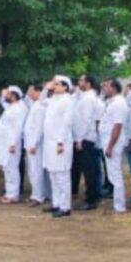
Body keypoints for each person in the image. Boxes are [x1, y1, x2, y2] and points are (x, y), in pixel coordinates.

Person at [43, 76, 76, 218]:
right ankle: (56, 203)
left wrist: (61, 142)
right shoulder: (53, 100)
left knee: (62, 175)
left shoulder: (67, 101)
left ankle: (65, 206)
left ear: (65, 87)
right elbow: (40, 101)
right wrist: (46, 88)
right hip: (50, 143)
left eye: (57, 84)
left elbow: (67, 123)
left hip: (60, 143)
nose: (54, 86)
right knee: (53, 174)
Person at [72, 74, 103, 211]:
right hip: (85, 137)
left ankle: (91, 200)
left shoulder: (89, 99)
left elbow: (85, 121)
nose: (79, 82)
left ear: (88, 83)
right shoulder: (85, 97)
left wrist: (79, 139)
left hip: (85, 138)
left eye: (81, 80)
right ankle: (91, 197)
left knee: (89, 171)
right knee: (89, 169)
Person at [99, 78, 129, 214]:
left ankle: (119, 206)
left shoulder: (119, 103)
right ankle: (118, 204)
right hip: (107, 142)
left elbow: (117, 127)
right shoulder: (111, 102)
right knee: (112, 175)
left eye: (107, 86)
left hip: (113, 143)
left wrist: (110, 146)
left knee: (115, 175)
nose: (104, 88)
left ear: (114, 88)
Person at [0, 86, 28, 204]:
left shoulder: (19, 108)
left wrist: (13, 143)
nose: (6, 95)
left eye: (8, 94)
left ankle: (13, 195)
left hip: (11, 143)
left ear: (14, 95)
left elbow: (18, 127)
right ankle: (9, 193)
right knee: (7, 168)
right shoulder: (11, 106)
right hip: (4, 143)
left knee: (12, 169)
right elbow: (3, 100)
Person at [23, 83, 50, 207]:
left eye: (30, 90)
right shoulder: (35, 105)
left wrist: (33, 144)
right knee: (34, 170)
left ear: (37, 92)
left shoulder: (39, 107)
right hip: (31, 143)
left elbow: (39, 128)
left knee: (36, 171)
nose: (28, 93)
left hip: (35, 145)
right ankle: (42, 194)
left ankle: (37, 196)